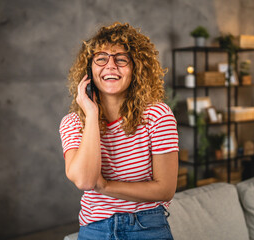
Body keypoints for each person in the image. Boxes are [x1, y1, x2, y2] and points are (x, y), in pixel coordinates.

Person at [59, 22, 179, 240]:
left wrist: (105, 185)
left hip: (147, 225)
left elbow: (165, 189)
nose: (111, 65)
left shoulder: (157, 115)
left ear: (136, 69)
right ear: (89, 70)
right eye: (101, 58)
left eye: (121, 59)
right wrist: (92, 115)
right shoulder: (73, 123)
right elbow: (85, 181)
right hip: (94, 229)